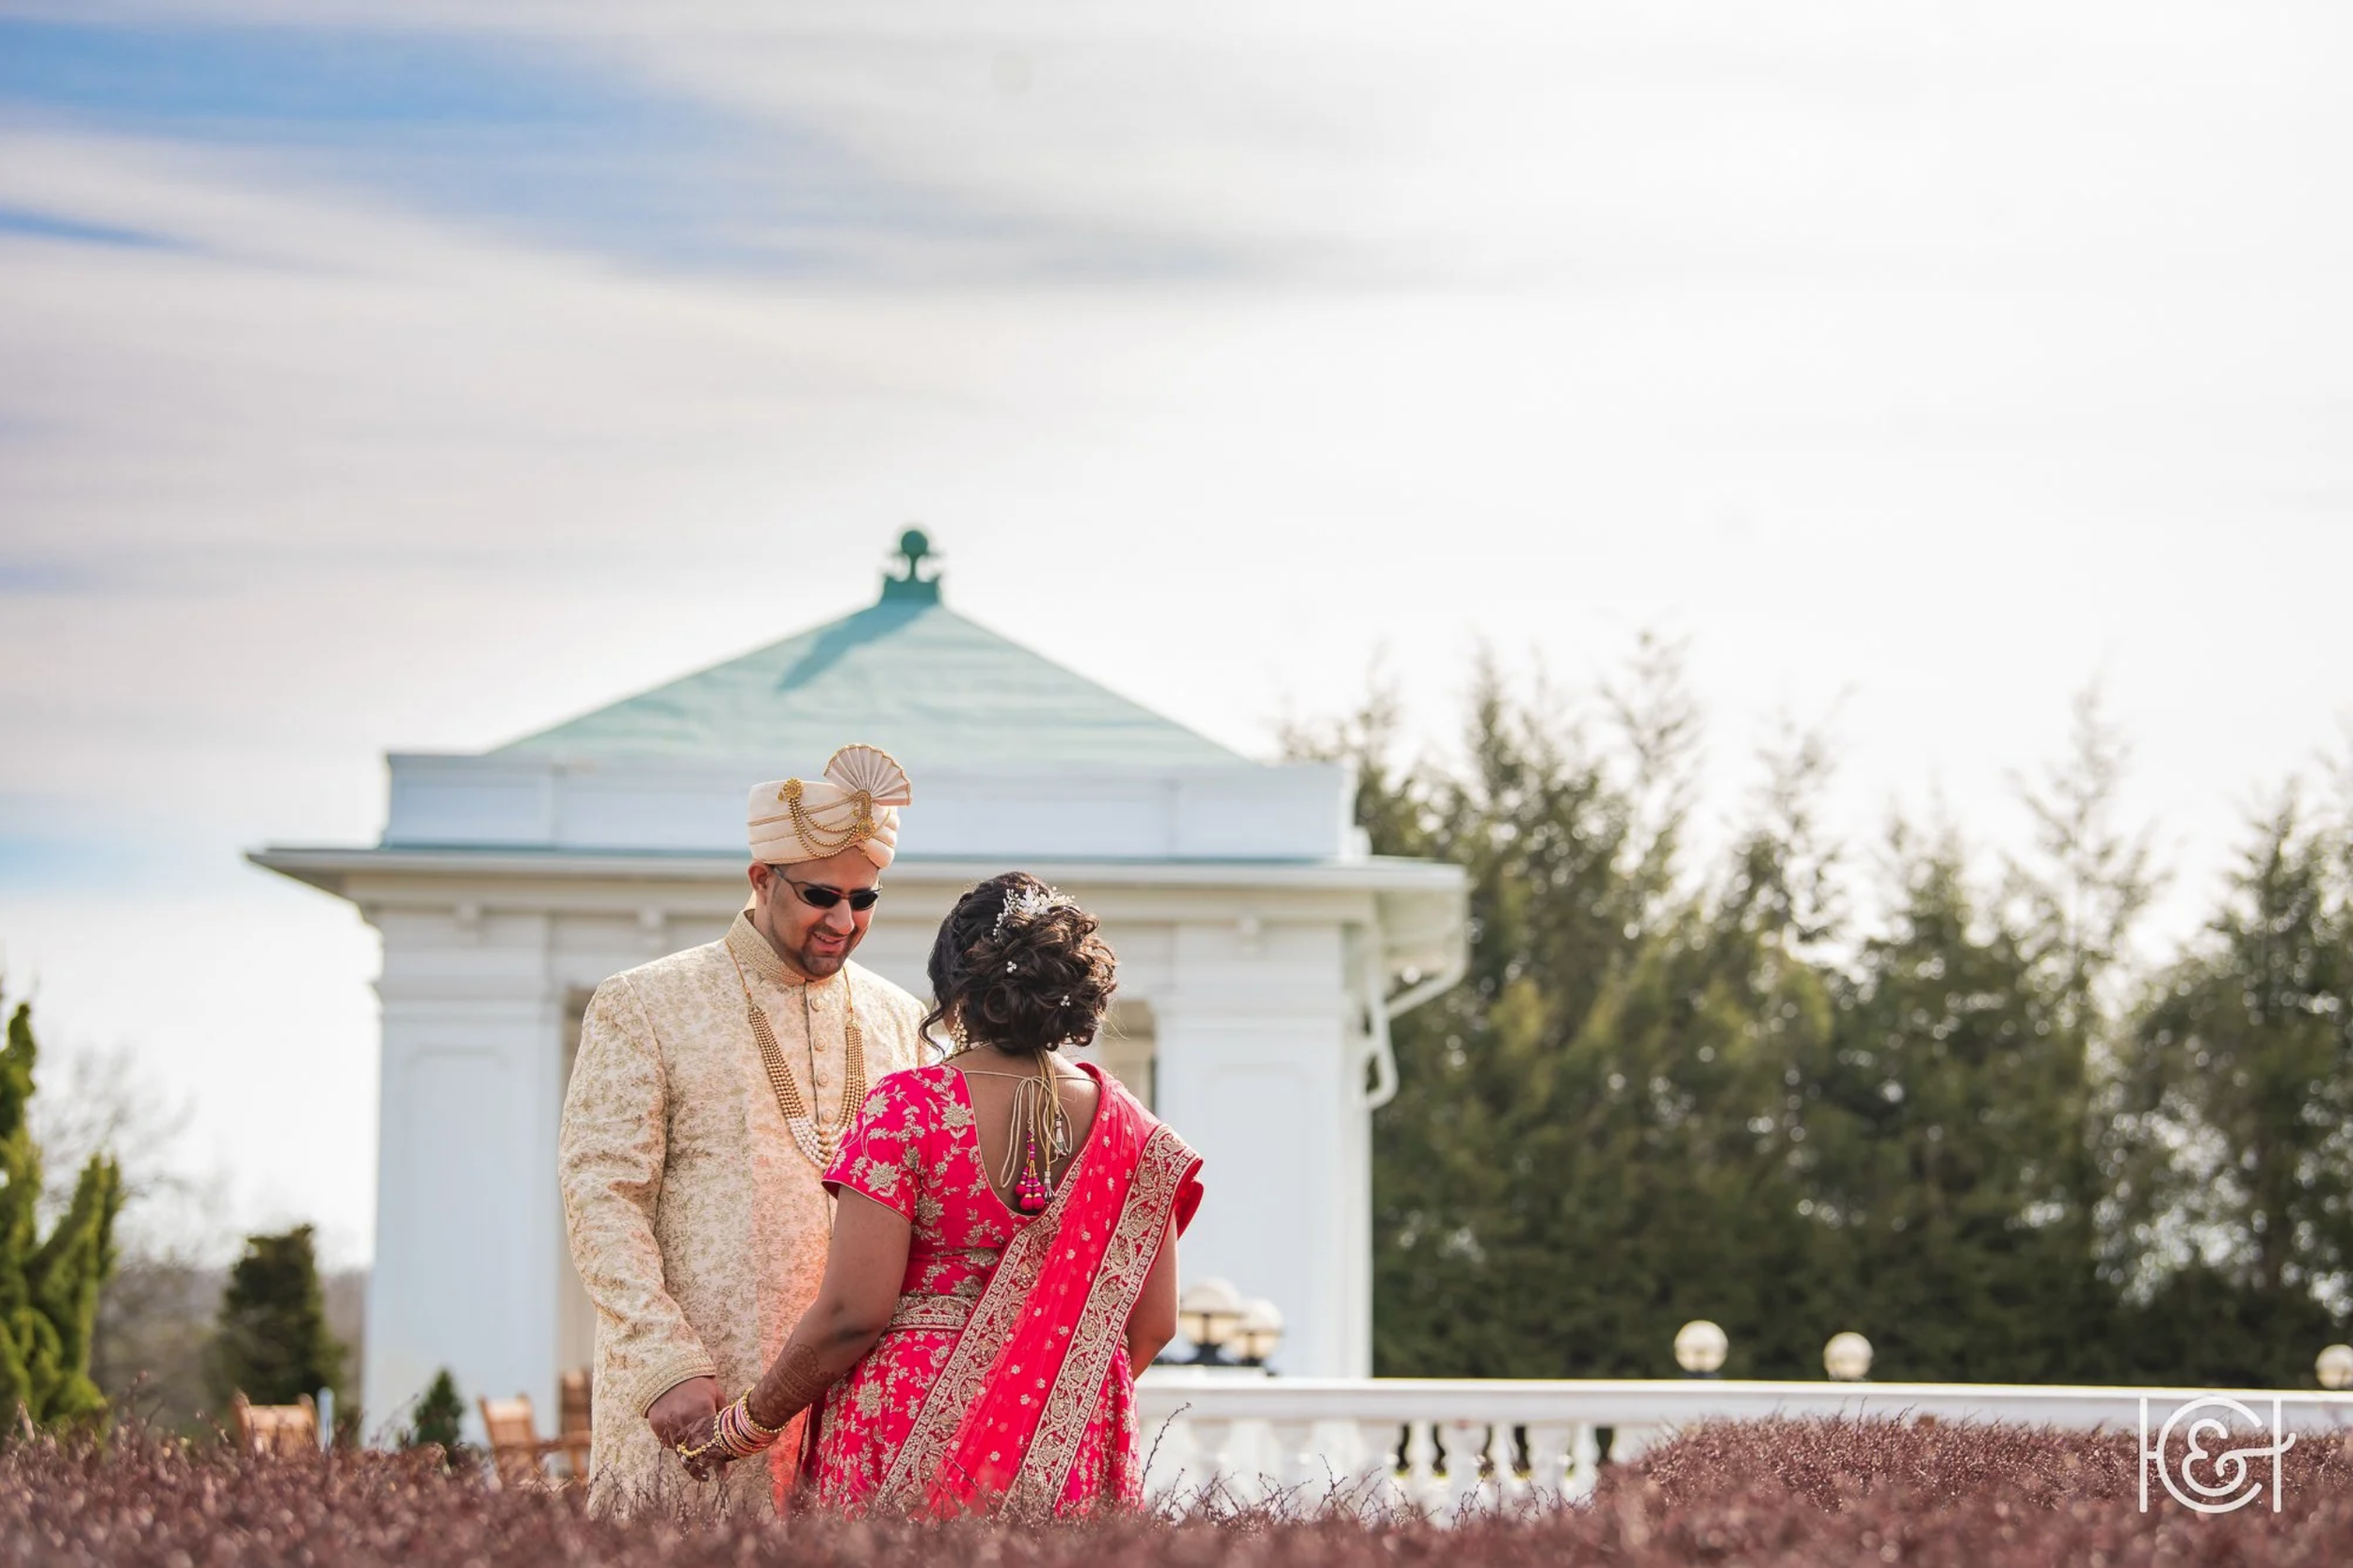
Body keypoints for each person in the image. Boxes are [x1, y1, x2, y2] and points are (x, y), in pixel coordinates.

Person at [676, 872, 1203, 1519]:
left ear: (955, 992)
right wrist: (1038, 1395)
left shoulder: (907, 1109)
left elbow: (851, 1314)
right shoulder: (1139, 1135)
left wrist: (744, 1427)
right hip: (1069, 1440)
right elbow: (1153, 1325)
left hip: (908, 1425)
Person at [558, 744, 929, 1516]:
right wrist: (663, 1361)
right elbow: (602, 1197)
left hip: (856, 1403)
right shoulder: (647, 1005)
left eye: (864, 901)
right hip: (698, 1398)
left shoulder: (901, 1019)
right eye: (821, 894)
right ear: (761, 878)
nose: (842, 921)